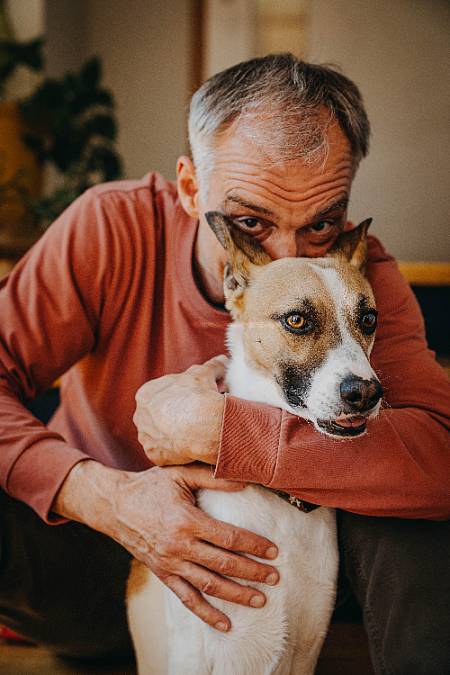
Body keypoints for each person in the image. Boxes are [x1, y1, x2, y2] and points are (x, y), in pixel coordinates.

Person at [0, 54, 449, 674]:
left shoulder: (356, 277)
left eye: (322, 222)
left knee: (417, 500)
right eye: (249, 222)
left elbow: (441, 455)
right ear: (190, 187)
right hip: (100, 564)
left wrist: (228, 435)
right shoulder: (112, 227)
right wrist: (108, 499)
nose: (286, 257)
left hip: (301, 582)